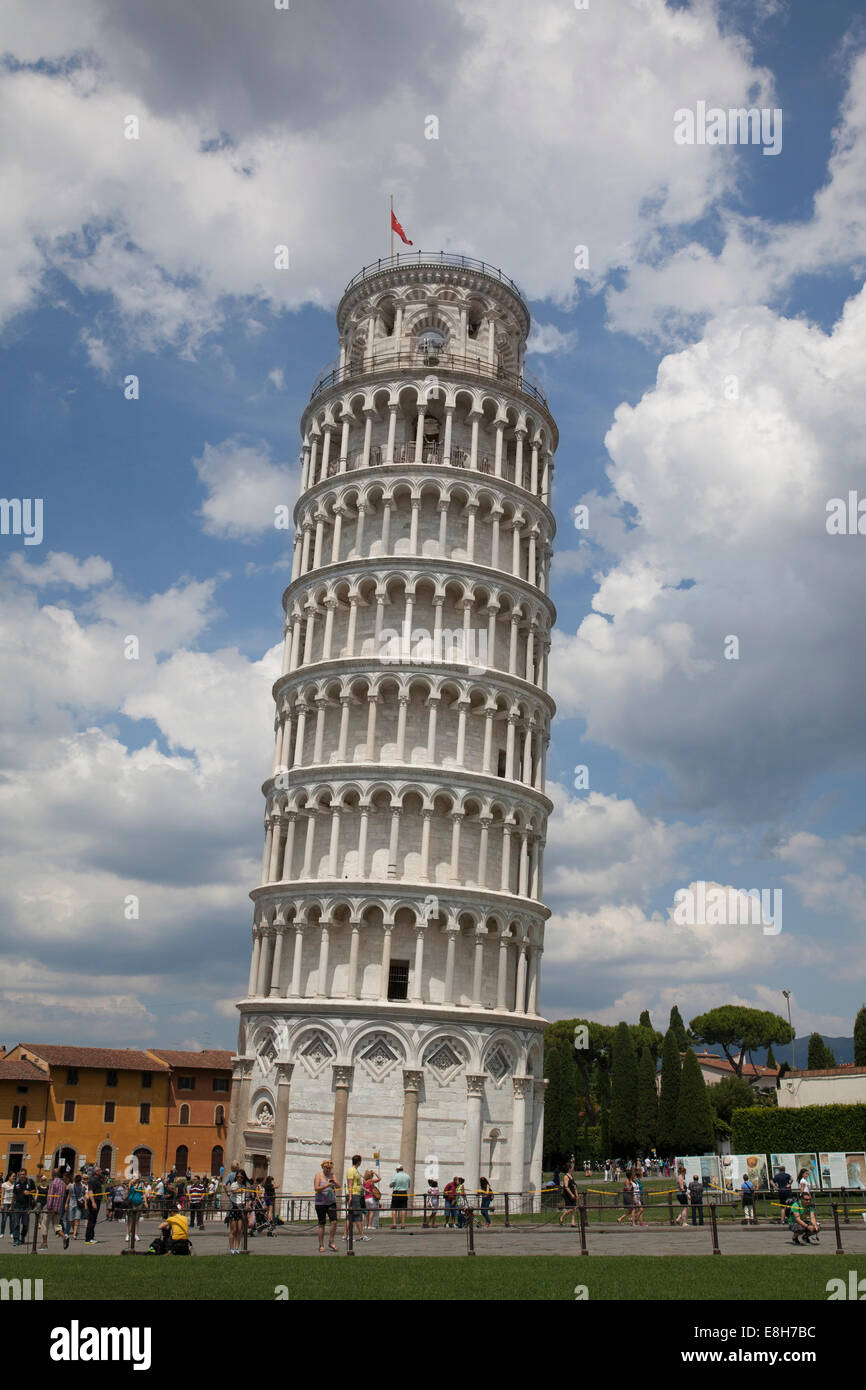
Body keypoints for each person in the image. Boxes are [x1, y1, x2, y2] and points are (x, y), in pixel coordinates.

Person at [314, 1159, 339, 1253]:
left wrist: (334, 1183)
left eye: (330, 1168)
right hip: (320, 1203)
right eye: (326, 1168)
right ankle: (321, 1245)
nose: (328, 1170)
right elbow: (316, 1188)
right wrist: (327, 1185)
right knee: (322, 1224)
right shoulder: (318, 1176)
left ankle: (331, 1242)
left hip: (331, 1202)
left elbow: (338, 1185)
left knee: (334, 1222)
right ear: (323, 1167)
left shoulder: (332, 1175)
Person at [43, 1171, 69, 1250]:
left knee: (44, 1225)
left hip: (51, 1208)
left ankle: (45, 1244)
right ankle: (64, 1237)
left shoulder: (53, 1183)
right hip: (58, 1208)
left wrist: (48, 1207)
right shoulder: (63, 1184)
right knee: (56, 1225)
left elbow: (51, 1196)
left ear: (53, 1175)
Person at [345, 1154, 368, 1242]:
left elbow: (358, 1184)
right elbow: (350, 1184)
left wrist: (365, 1189)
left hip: (356, 1194)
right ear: (359, 1162)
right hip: (353, 1195)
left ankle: (345, 1235)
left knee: (351, 1216)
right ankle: (362, 1235)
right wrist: (350, 1196)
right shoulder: (351, 1170)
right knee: (357, 1215)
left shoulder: (355, 1170)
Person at [226, 1167, 248, 1254]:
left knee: (239, 1230)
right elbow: (233, 1191)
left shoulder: (244, 1186)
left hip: (241, 1207)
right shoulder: (234, 1184)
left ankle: (237, 1248)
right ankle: (231, 1248)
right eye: (238, 1177)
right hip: (234, 1207)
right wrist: (240, 1191)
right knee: (233, 1230)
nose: (239, 1178)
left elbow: (246, 1196)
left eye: (241, 1177)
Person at [11, 1169, 35, 1247]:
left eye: (23, 1174)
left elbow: (35, 1190)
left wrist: (29, 1192)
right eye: (20, 1174)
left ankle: (22, 1236)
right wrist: (11, 1206)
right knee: (16, 1223)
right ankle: (16, 1239)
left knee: (25, 1224)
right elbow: (14, 1195)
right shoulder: (16, 1183)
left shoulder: (29, 1182)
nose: (22, 1176)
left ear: (26, 1174)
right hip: (17, 1206)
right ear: (19, 1175)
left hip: (26, 1206)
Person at [84, 1170, 104, 1243]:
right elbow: (90, 1191)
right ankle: (88, 1238)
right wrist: (93, 1202)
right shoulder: (92, 1180)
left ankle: (91, 1236)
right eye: (100, 1171)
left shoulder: (97, 1180)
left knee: (93, 1220)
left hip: (97, 1201)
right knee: (91, 1220)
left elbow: (104, 1181)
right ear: (96, 1172)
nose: (101, 1172)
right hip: (94, 1201)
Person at [389, 1164, 411, 1230]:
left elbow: (391, 1184)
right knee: (403, 1208)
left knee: (394, 1208)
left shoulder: (395, 1176)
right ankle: (403, 1224)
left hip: (396, 1193)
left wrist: (391, 1185)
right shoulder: (407, 1176)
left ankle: (394, 1224)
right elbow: (408, 1186)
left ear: (397, 1169)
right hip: (404, 1193)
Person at [559, 1162, 577, 1228]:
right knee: (572, 1208)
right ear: (569, 1168)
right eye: (572, 1167)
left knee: (574, 1208)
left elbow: (574, 1186)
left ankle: (573, 1222)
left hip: (573, 1193)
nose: (573, 1168)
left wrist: (576, 1194)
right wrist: (571, 1194)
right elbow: (566, 1187)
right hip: (568, 1194)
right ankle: (562, 1217)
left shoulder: (571, 1176)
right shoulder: (566, 1176)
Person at [1, 1172, 14, 1237]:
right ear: (9, 1177)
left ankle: (11, 1233)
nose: (14, 1177)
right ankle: (2, 1233)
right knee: (4, 1219)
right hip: (5, 1202)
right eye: (13, 1176)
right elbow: (2, 1194)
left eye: (15, 1176)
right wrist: (1, 1204)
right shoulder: (4, 1184)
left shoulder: (15, 1184)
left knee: (12, 1219)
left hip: (12, 1203)